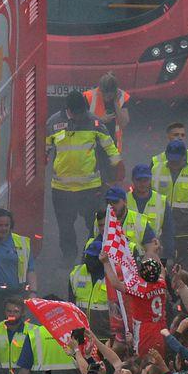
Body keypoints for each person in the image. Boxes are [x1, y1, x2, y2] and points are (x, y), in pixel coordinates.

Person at [46, 90, 120, 263]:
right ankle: (69, 257)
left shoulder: (94, 121)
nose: (81, 117)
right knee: (65, 227)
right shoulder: (53, 123)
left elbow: (110, 148)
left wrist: (118, 166)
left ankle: (92, 255)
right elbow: (43, 148)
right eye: (77, 113)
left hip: (90, 187)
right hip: (62, 189)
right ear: (68, 109)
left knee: (94, 225)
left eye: (83, 112)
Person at [152, 139, 188, 265]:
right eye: (171, 160)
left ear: (184, 157)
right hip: (163, 231)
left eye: (177, 160)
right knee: (164, 267)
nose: (174, 164)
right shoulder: (156, 169)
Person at [123, 163, 168, 251]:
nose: (142, 183)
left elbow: (168, 231)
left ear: (150, 180)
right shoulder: (124, 200)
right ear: (133, 180)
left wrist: (169, 255)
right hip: (128, 254)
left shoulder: (161, 201)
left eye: (145, 180)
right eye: (139, 180)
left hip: (154, 252)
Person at [83, 73, 130, 151]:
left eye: (110, 96)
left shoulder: (121, 97)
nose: (107, 98)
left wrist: (116, 104)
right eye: (104, 95)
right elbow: (83, 123)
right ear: (100, 90)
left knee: (115, 162)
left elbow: (124, 123)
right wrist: (101, 120)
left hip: (113, 146)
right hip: (94, 145)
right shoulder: (89, 97)